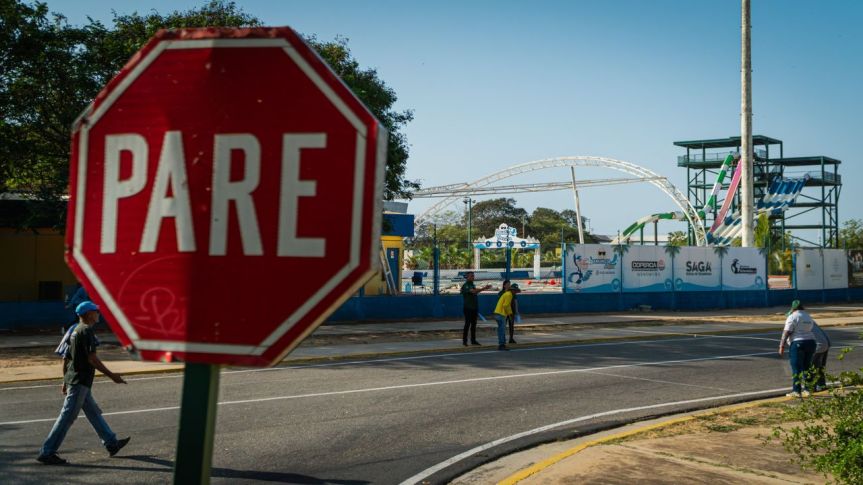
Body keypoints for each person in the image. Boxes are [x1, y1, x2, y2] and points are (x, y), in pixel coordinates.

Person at [37, 301, 130, 465]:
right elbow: (92, 359)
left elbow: (67, 358)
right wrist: (112, 375)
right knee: (67, 417)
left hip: (77, 381)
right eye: (96, 311)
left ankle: (111, 443)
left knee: (93, 412)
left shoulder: (74, 330)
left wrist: (65, 381)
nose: (98, 314)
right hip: (80, 381)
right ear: (88, 314)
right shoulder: (86, 331)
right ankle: (47, 452)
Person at [778, 300, 817, 398]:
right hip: (811, 342)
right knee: (807, 367)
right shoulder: (807, 316)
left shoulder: (792, 316)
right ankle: (808, 390)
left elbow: (787, 332)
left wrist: (781, 345)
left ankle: (796, 391)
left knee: (796, 368)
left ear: (793, 308)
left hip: (798, 343)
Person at [460, 272, 491, 346]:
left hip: (474, 308)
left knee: (474, 324)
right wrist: (484, 288)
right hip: (468, 308)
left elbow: (475, 292)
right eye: (471, 276)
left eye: (473, 276)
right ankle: (465, 341)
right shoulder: (466, 285)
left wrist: (483, 289)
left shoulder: (472, 285)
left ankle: (473, 340)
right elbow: (473, 291)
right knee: (467, 324)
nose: (473, 277)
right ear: (467, 277)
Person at [492, 282, 519, 351]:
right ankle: (501, 345)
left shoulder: (507, 294)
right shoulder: (509, 295)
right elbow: (506, 305)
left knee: (501, 330)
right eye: (515, 291)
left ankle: (502, 344)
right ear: (512, 290)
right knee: (502, 330)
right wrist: (510, 314)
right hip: (501, 314)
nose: (516, 292)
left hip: (497, 313)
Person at [811, 322, 831, 392]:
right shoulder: (809, 320)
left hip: (818, 346)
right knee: (820, 368)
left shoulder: (797, 321)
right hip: (825, 343)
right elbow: (821, 332)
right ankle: (822, 385)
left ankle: (812, 388)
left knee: (811, 368)